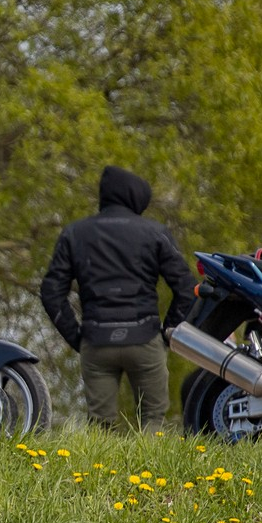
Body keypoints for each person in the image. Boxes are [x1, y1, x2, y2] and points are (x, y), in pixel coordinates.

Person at [39, 165, 196, 431]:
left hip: (96, 341)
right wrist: (168, 333)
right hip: (145, 339)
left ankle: (100, 473)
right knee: (153, 419)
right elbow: (187, 288)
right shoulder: (155, 233)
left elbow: (51, 292)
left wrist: (76, 336)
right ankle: (151, 471)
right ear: (136, 198)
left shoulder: (75, 233)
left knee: (100, 425)